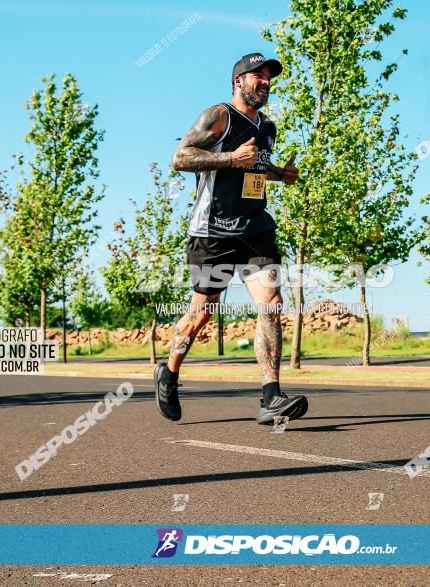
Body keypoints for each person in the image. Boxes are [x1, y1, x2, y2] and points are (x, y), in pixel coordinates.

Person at [154, 52, 308, 425]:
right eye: (258, 76)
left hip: (255, 229)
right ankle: (170, 372)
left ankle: (270, 396)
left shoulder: (267, 127)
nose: (266, 82)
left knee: (271, 302)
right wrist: (228, 158)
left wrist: (278, 174)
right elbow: (181, 157)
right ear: (238, 81)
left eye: (269, 77)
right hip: (213, 233)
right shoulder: (219, 116)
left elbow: (253, 166)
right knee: (201, 313)